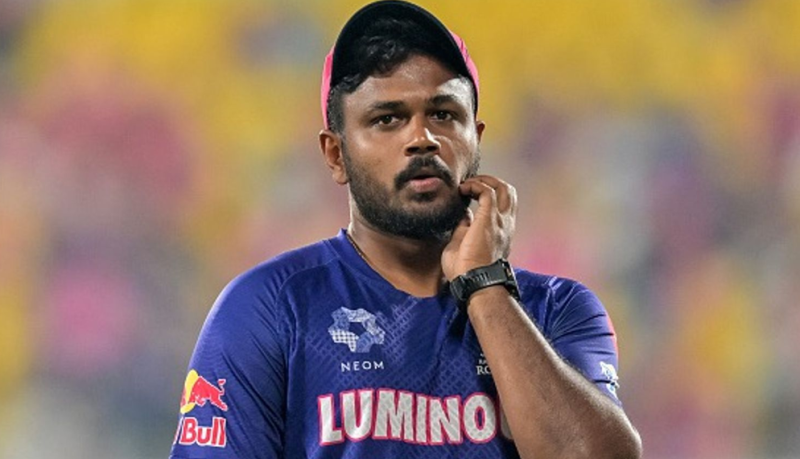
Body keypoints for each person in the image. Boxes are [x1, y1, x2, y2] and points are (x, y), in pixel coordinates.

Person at [169, 1, 642, 458]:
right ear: (335, 154)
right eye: (387, 119)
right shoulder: (269, 308)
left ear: (476, 137)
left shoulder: (556, 310)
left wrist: (486, 287)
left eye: (443, 115)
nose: (422, 138)